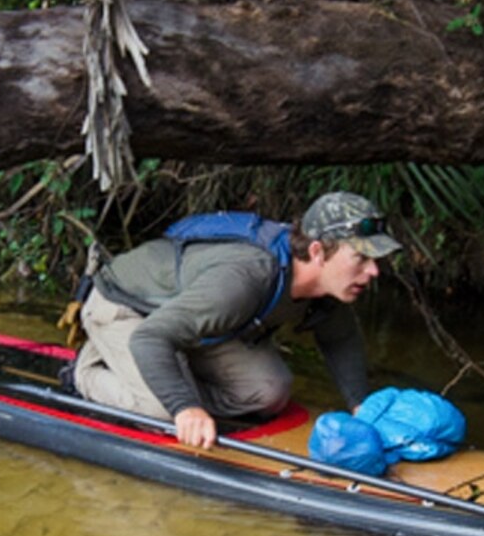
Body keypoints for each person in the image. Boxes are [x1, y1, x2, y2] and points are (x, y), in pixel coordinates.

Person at [73, 191, 403, 450]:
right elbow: (149, 337)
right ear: (317, 252)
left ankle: (169, 376)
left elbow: (340, 340)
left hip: (187, 321)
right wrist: (184, 407)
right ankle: (87, 372)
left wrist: (361, 407)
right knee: (163, 413)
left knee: (270, 391)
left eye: (375, 260)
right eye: (361, 258)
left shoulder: (330, 291)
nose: (373, 271)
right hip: (125, 308)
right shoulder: (246, 277)